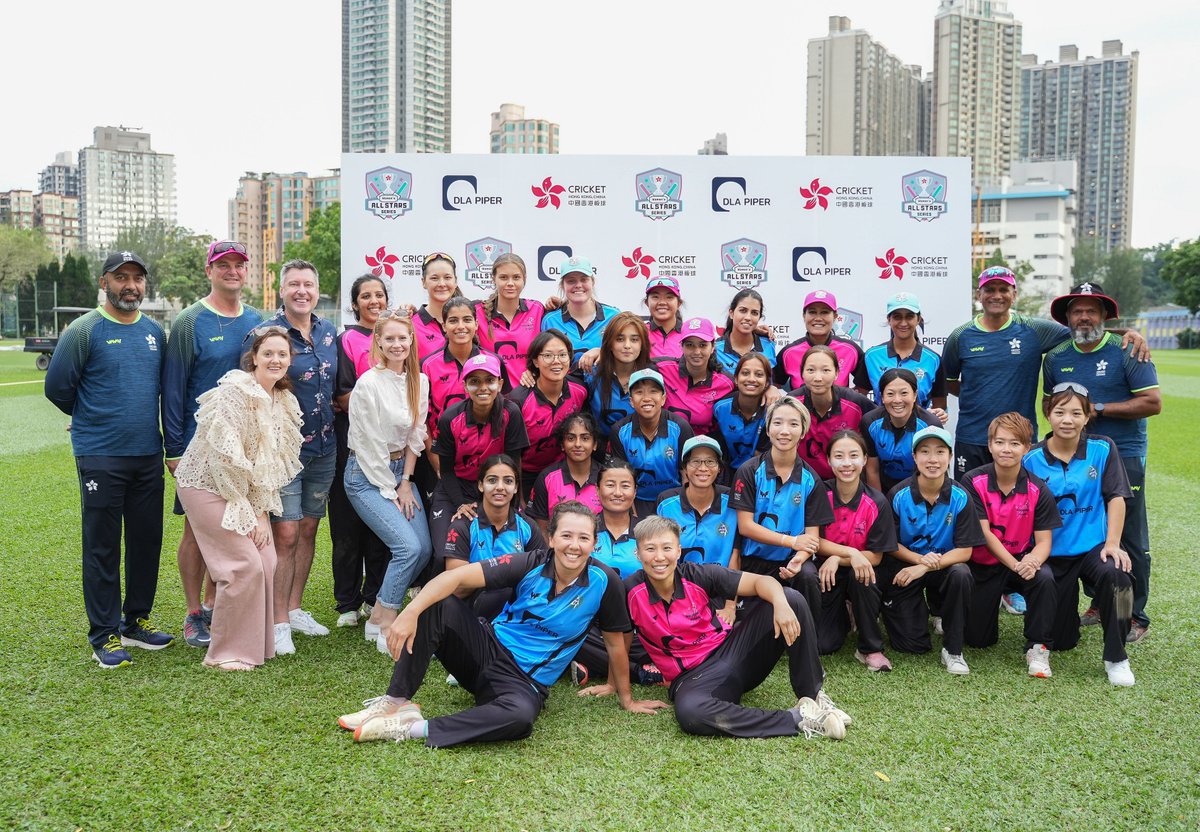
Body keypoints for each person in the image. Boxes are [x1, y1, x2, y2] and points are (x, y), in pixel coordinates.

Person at [337, 501, 667, 745]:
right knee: (438, 605)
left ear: (594, 544)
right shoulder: (528, 563)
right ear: (550, 538)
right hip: (485, 651)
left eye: (584, 538)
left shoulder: (604, 581)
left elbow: (615, 643)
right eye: (566, 535)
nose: (575, 545)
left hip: (525, 683)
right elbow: (455, 578)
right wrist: (409, 613)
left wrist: (625, 697)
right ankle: (395, 703)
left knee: (520, 718)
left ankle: (409, 727)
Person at [577, 516, 847, 740]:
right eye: (650, 549)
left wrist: (779, 602)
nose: (659, 557)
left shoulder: (699, 574)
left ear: (679, 550)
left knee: (791, 599)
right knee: (691, 714)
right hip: (692, 678)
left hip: (733, 653)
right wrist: (621, 693)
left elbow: (760, 583)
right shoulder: (629, 592)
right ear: (638, 553)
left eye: (667, 548)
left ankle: (813, 700)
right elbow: (620, 644)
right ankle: (798, 719)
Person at [45, 250, 173, 668]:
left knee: (146, 540)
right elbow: (58, 388)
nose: (130, 285)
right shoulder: (84, 330)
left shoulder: (155, 331)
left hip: (147, 454)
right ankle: (105, 634)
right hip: (100, 455)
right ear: (105, 283)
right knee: (102, 546)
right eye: (121, 277)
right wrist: (91, 420)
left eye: (137, 277)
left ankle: (135, 621)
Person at [174, 326, 303, 669]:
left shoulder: (284, 401)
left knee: (268, 561)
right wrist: (247, 509)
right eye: (268, 354)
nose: (275, 360)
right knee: (242, 564)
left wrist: (261, 512)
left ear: (290, 360)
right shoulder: (235, 390)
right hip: (206, 484)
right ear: (254, 359)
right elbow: (224, 458)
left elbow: (270, 466)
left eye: (282, 354)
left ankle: (254, 645)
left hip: (243, 492)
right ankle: (225, 653)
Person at [943, 265, 1148, 480]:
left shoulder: (1034, 329)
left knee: (1021, 505)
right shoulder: (960, 336)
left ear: (1014, 295)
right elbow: (949, 382)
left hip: (1020, 438)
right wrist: (978, 393)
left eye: (1003, 290)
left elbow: (1083, 329)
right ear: (979, 294)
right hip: (972, 436)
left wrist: (1127, 332)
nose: (997, 295)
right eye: (990, 289)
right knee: (971, 505)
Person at [1042, 282, 1160, 643]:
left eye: (1092, 310)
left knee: (1128, 540)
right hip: (1077, 453)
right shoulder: (1058, 356)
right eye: (1077, 310)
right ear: (1067, 317)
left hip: (1122, 452)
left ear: (1105, 316)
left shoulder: (1127, 349)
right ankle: (1097, 603)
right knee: (1084, 531)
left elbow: (1152, 402)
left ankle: (1133, 614)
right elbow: (1050, 407)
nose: (1084, 316)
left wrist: (1099, 409)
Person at [162, 239, 262, 648]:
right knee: (196, 530)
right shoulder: (189, 321)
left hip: (243, 446)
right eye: (224, 265)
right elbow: (173, 388)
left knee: (231, 526)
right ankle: (191, 613)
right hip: (197, 447)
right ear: (210, 270)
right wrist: (174, 448)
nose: (232, 271)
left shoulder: (256, 320)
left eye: (239, 264)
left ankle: (212, 604)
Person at [1022, 383, 1136, 686]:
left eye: (1076, 412)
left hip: (1092, 549)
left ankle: (1117, 656)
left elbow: (1116, 498)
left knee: (1119, 576)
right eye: (1060, 412)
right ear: (1048, 415)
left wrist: (1113, 543)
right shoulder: (1030, 458)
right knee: (1063, 641)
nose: (1067, 420)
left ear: (1087, 417)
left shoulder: (1103, 448)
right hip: (1052, 554)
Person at [252, 259, 338, 655]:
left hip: (324, 449)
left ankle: (295, 607)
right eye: (293, 285)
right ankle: (277, 621)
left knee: (307, 529)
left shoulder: (328, 332)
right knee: (284, 533)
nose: (301, 291)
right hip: (284, 453)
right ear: (281, 290)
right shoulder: (266, 334)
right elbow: (252, 389)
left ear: (316, 290)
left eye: (308, 284)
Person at [343, 313, 433, 653]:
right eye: (390, 339)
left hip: (400, 474)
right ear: (378, 342)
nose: (397, 344)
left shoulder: (418, 381)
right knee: (406, 547)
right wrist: (387, 489)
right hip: (366, 476)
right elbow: (368, 446)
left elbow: (416, 436)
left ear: (411, 341)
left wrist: (406, 482)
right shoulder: (369, 383)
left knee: (423, 549)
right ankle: (388, 619)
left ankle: (377, 612)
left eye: (403, 338)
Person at [960, 413, 1060, 677]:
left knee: (1045, 577)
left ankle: (1038, 647)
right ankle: (995, 601)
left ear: (1027, 448)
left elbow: (1044, 541)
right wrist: (1016, 564)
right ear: (990, 445)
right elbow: (984, 534)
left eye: (1015, 443)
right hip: (984, 565)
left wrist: (1032, 561)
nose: (1006, 449)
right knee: (978, 640)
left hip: (1021, 562)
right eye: (1000, 442)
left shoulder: (1038, 489)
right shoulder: (972, 481)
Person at [881, 426, 983, 675]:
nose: (932, 459)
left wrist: (924, 566)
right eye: (924, 452)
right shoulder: (898, 494)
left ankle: (953, 650)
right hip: (906, 566)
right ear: (914, 457)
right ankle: (921, 612)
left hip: (945, 566)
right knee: (911, 644)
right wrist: (917, 561)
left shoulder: (961, 496)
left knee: (961, 573)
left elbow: (965, 551)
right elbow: (891, 545)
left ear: (949, 456)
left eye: (940, 452)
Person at [730, 396, 834, 622]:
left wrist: (799, 557)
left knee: (807, 575)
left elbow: (811, 538)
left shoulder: (811, 479)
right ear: (767, 429)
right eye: (777, 423)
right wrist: (792, 542)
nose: (784, 431)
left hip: (789, 561)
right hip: (753, 560)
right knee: (749, 625)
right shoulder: (748, 471)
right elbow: (746, 527)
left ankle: (810, 636)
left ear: (803, 431)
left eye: (793, 424)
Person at [330, 274, 391, 628]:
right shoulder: (347, 340)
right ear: (355, 304)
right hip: (351, 442)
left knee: (382, 524)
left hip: (390, 448)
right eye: (365, 296)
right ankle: (347, 602)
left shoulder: (398, 336)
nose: (373, 301)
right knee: (347, 524)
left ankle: (374, 596)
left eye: (379, 295)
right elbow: (344, 396)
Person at [430, 354, 530, 550]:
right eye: (475, 381)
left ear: (500, 384)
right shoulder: (450, 418)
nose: (483, 387)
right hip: (455, 488)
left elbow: (513, 464)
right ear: (465, 386)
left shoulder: (511, 413)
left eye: (490, 380)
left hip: (494, 485)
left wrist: (514, 502)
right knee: (444, 551)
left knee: (506, 546)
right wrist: (461, 504)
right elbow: (447, 471)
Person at [815, 430, 896, 670]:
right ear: (829, 460)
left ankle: (870, 648)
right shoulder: (820, 493)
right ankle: (845, 614)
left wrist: (838, 558)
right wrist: (849, 553)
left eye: (853, 455)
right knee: (824, 645)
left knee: (863, 574)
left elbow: (877, 556)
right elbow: (813, 540)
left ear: (864, 460)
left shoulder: (877, 502)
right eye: (839, 456)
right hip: (826, 573)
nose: (846, 463)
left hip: (859, 572)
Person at [443, 454, 546, 621]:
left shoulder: (527, 526)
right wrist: (505, 574)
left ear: (515, 487)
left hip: (517, 608)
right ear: (481, 485)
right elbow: (457, 588)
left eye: (508, 481)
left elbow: (543, 574)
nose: (500, 487)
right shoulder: (463, 526)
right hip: (470, 613)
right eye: (492, 480)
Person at [506, 330, 588, 494]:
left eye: (562, 355)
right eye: (548, 356)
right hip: (525, 475)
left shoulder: (580, 391)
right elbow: (510, 454)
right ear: (535, 361)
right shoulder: (518, 401)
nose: (556, 362)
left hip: (563, 470)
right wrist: (518, 497)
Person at [607, 368, 695, 516]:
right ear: (631, 401)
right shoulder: (620, 431)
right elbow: (622, 477)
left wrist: (684, 511)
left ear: (663, 398)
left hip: (674, 499)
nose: (646, 398)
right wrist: (633, 517)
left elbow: (687, 473)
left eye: (653, 391)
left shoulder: (680, 427)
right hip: (637, 500)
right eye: (639, 392)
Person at [787, 345, 874, 480]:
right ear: (802, 373)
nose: (818, 378)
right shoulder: (791, 404)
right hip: (804, 482)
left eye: (826, 370)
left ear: (837, 373)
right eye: (810, 370)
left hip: (847, 481)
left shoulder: (856, 403)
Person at [657, 437, 741, 572]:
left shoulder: (732, 501)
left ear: (719, 468)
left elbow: (735, 555)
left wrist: (730, 591)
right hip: (679, 585)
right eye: (695, 461)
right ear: (684, 467)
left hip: (719, 585)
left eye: (710, 462)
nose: (703, 468)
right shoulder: (666, 502)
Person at [863, 292, 947, 421]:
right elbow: (861, 399)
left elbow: (940, 404)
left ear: (918, 319)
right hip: (879, 432)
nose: (903, 323)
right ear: (889, 319)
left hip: (919, 433)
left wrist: (939, 414)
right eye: (897, 317)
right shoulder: (872, 356)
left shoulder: (933, 359)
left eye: (909, 317)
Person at [860, 369, 942, 493]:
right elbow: (872, 469)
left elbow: (935, 469)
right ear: (882, 397)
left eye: (904, 393)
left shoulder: (930, 425)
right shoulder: (870, 422)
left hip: (919, 488)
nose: (897, 400)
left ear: (914, 395)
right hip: (883, 486)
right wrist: (879, 503)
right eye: (890, 394)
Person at [474, 253, 546, 387]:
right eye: (503, 277)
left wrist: (535, 371)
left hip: (528, 394)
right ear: (493, 279)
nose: (510, 283)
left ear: (524, 279)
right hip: (490, 398)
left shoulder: (537, 310)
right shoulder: (476, 312)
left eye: (516, 277)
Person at [526, 412, 603, 537]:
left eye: (585, 438)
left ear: (594, 444)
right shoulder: (547, 478)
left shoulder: (606, 478)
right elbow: (542, 531)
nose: (578, 444)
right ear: (562, 444)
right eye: (571, 438)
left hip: (598, 552)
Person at [775, 290, 868, 391]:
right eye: (812, 312)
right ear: (804, 316)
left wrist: (848, 402)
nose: (818, 318)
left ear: (835, 317)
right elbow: (773, 384)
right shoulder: (789, 352)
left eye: (824, 312)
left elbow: (863, 386)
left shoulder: (850, 349)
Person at [656, 317, 736, 436]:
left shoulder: (727, 382)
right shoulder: (663, 367)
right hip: (666, 445)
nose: (697, 351)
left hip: (703, 448)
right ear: (681, 346)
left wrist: (769, 389)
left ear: (713, 346)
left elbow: (750, 391)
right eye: (690, 345)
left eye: (703, 345)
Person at [540, 256, 621, 363]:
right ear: (562, 285)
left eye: (584, 279)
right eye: (571, 281)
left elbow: (626, 355)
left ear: (592, 282)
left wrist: (602, 352)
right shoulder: (550, 320)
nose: (578, 285)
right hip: (563, 380)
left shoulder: (614, 317)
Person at [585, 311, 652, 440]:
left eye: (634, 339)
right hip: (599, 452)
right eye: (620, 339)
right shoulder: (590, 374)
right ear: (609, 343)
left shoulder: (652, 376)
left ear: (642, 345)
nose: (627, 346)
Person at [710, 352, 771, 476]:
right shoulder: (720, 408)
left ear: (767, 383)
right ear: (736, 379)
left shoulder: (772, 412)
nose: (751, 379)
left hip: (759, 472)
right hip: (725, 471)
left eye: (759, 375)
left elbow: (762, 457)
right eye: (745, 373)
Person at [412, 252, 462, 361]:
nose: (442, 284)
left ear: (455, 281)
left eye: (447, 277)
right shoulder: (410, 325)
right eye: (434, 278)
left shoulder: (469, 321)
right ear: (423, 282)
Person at [714, 289, 777, 375]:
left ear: (759, 317)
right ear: (731, 313)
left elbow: (772, 384)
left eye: (754, 313)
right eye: (743, 310)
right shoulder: (715, 349)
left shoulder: (768, 344)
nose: (748, 317)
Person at [643, 275, 686, 359]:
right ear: (647, 303)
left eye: (669, 297)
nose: (662, 302)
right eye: (655, 297)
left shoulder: (689, 334)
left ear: (678, 303)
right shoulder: (640, 333)